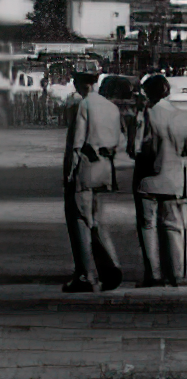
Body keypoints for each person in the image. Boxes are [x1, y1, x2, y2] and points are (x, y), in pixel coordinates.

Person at [58, 61, 136, 295]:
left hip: (86, 167)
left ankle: (86, 275)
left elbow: (76, 143)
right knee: (98, 220)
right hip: (106, 168)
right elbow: (121, 141)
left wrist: (69, 173)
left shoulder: (84, 105)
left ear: (78, 82)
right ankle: (110, 266)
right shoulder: (110, 107)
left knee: (79, 221)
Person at [133, 69, 181, 291]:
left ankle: (154, 274)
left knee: (148, 226)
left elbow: (136, 148)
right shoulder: (181, 115)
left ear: (148, 93)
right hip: (174, 180)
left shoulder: (147, 114)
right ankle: (178, 274)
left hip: (148, 180)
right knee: (173, 226)